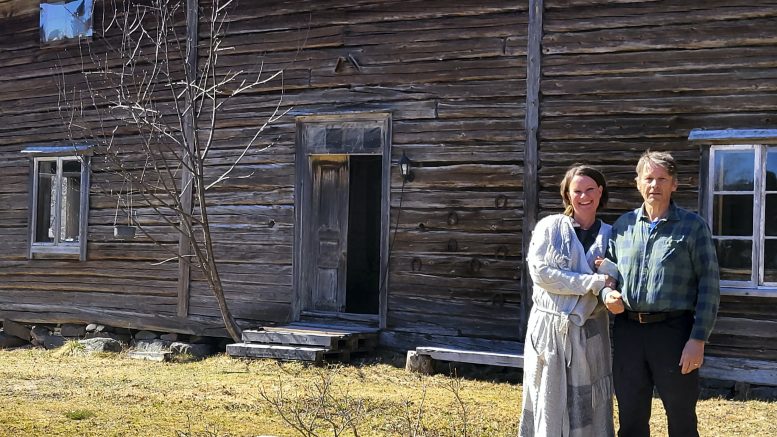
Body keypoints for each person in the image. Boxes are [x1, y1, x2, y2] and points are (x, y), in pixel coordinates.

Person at [602, 150, 720, 437]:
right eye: (649, 179)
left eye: (662, 179)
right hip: (628, 331)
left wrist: (698, 338)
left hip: (674, 333)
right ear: (638, 183)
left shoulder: (693, 227)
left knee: (680, 415)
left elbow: (709, 284)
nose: (654, 185)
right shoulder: (622, 226)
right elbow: (608, 273)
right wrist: (607, 293)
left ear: (674, 184)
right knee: (630, 414)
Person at [519, 165, 616, 437]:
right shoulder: (550, 227)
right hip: (550, 329)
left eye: (590, 190)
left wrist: (606, 277)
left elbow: (615, 276)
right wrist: (592, 282)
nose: (583, 196)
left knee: (589, 401)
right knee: (548, 398)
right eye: (577, 191)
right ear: (567, 194)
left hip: (591, 329)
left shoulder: (611, 234)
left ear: (600, 192)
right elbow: (541, 273)